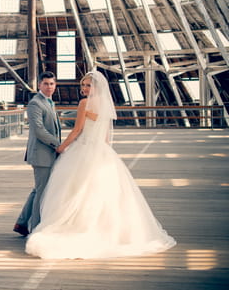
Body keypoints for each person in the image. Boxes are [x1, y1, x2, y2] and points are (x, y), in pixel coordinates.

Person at [25, 69, 176, 259]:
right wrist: (103, 152)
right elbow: (105, 136)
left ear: (96, 86)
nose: (84, 88)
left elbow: (77, 130)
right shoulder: (105, 105)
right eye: (83, 85)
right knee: (98, 191)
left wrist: (61, 147)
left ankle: (64, 225)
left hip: (82, 149)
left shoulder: (84, 104)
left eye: (88, 85)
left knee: (72, 189)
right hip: (100, 151)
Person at [13, 71, 61, 237]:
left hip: (48, 153)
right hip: (42, 155)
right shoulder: (35, 104)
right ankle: (35, 230)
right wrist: (59, 145)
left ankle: (21, 223)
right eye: (46, 84)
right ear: (39, 85)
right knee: (42, 193)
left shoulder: (49, 102)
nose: (49, 87)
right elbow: (39, 131)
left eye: (52, 84)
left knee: (37, 190)